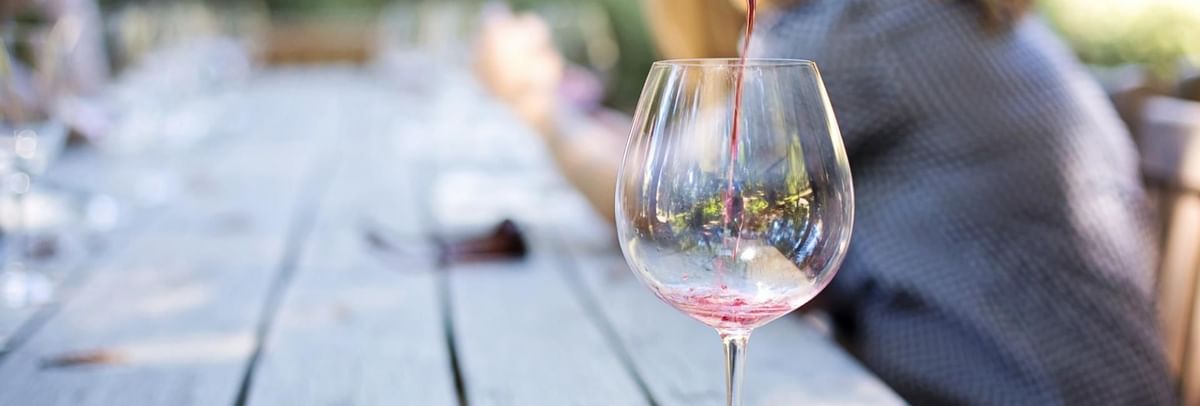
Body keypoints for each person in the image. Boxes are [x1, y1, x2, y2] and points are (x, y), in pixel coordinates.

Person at [475, 0, 1176, 404]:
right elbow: (685, 162)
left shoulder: (869, 27)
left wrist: (536, 103)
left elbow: (660, 197)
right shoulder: (919, 12)